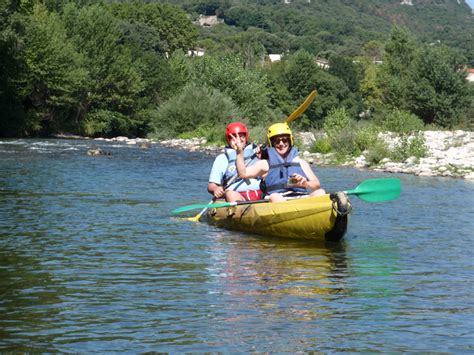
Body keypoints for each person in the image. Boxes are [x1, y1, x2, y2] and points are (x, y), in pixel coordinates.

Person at [232, 122, 326, 203]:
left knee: (320, 192)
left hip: (300, 197)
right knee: (275, 196)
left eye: (284, 140)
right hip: (277, 200)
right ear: (272, 144)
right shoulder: (265, 164)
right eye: (277, 141)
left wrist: (306, 184)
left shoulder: (301, 162)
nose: (281, 144)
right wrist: (239, 152)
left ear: (290, 141)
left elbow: (316, 184)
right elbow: (243, 174)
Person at [207, 122, 263, 202]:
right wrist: (216, 189)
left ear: (246, 138)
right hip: (237, 195)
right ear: (228, 140)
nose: (238, 140)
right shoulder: (222, 158)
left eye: (241, 136)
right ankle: (242, 212)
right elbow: (211, 185)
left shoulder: (257, 152)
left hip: (260, 191)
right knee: (230, 194)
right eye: (234, 138)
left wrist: (265, 152)